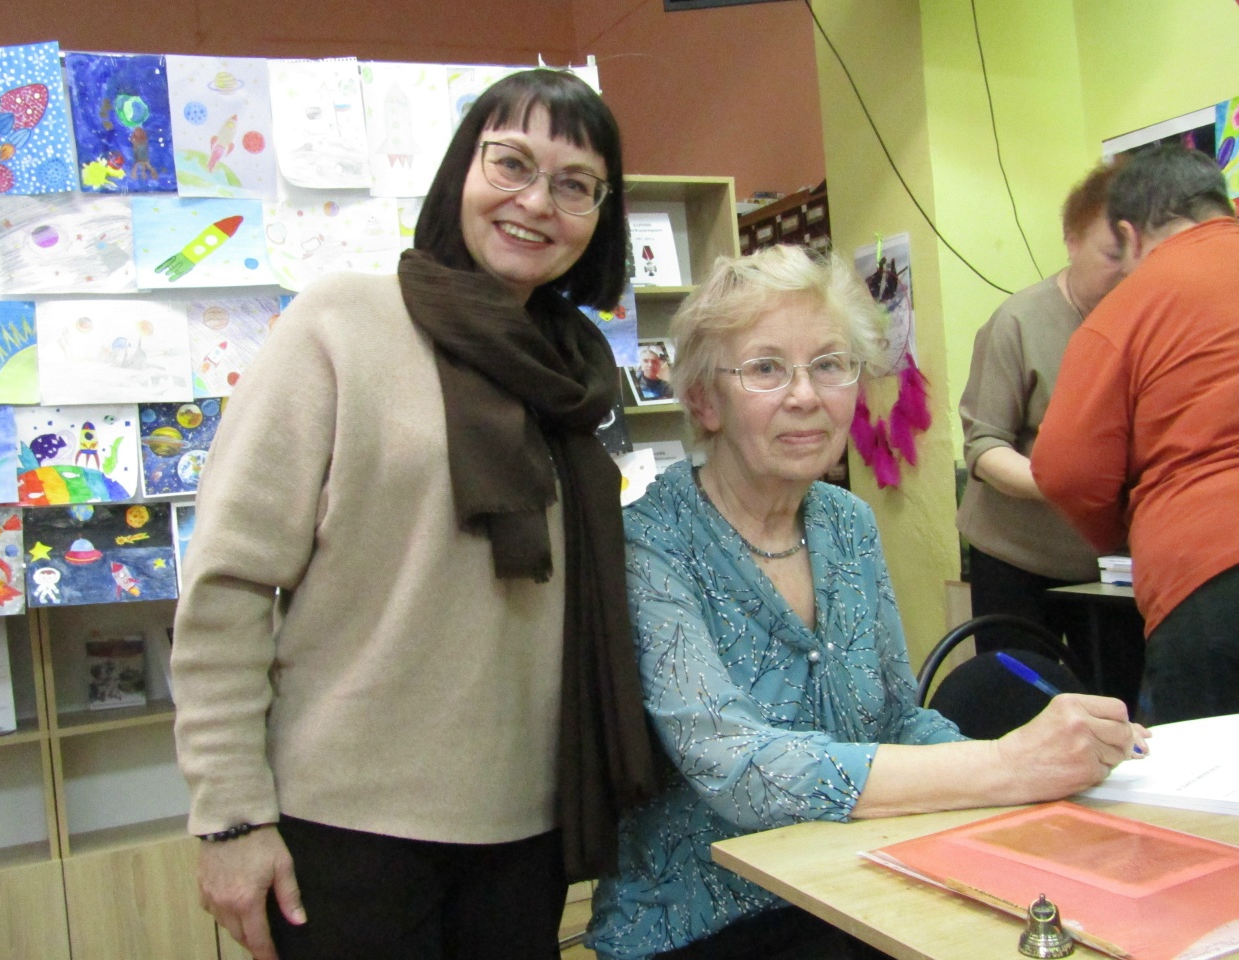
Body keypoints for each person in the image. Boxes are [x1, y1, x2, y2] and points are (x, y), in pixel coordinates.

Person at [171, 68, 660, 960]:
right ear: (460, 172)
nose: (536, 202)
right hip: (346, 826)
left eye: (575, 184)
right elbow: (229, 582)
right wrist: (230, 817)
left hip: (528, 827)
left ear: (601, 215)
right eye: (511, 163)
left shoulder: (575, 368)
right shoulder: (341, 324)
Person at [585, 245, 1148, 960]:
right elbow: (737, 768)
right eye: (765, 368)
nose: (805, 395)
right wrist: (1008, 766)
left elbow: (897, 721)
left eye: (829, 364)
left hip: (856, 888)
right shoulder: (649, 542)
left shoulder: (846, 524)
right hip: (703, 925)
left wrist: (1051, 771)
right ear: (703, 400)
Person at [1033, 143, 1239, 726]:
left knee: (1210, 778)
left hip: (1208, 578)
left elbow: (1064, 469)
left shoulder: (1128, 308)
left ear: (1130, 234)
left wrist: (1122, 535)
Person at [956, 161, 1145, 711]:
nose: (1128, 272)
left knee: (1114, 705)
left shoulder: (1152, 323)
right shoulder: (1018, 322)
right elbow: (985, 449)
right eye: (1112, 255)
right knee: (1021, 706)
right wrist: (1067, 482)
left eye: (1140, 257)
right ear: (1071, 240)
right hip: (1017, 557)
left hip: (1110, 565)